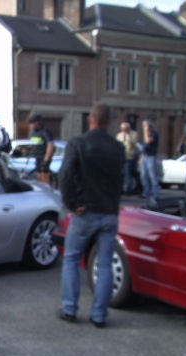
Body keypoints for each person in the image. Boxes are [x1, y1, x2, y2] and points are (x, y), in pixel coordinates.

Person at [57, 103, 125, 328]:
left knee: (71, 259)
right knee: (104, 264)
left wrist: (72, 203)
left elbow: (65, 175)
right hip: (108, 212)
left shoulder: (78, 143)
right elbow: (121, 181)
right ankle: (99, 315)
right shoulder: (117, 147)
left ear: (90, 119)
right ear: (109, 122)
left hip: (85, 211)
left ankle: (69, 309)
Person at [27, 113, 55, 185]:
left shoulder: (45, 131)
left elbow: (50, 145)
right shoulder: (33, 132)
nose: (31, 125)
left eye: (32, 123)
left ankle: (47, 192)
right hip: (37, 157)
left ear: (38, 122)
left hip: (44, 157)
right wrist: (28, 149)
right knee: (39, 175)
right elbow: (33, 142)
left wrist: (47, 159)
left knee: (44, 175)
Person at [116, 122, 139, 194]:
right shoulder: (119, 135)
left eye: (125, 129)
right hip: (121, 157)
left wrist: (128, 137)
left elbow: (133, 144)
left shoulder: (134, 134)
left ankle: (129, 190)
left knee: (128, 173)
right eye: (122, 129)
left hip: (129, 157)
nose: (124, 130)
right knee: (121, 174)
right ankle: (121, 189)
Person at [140, 119, 160, 199]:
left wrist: (145, 132)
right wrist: (141, 158)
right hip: (145, 156)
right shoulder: (146, 135)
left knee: (152, 175)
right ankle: (146, 192)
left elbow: (148, 141)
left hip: (151, 157)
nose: (144, 127)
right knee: (144, 175)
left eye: (145, 126)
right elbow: (144, 147)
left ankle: (155, 192)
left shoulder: (154, 134)